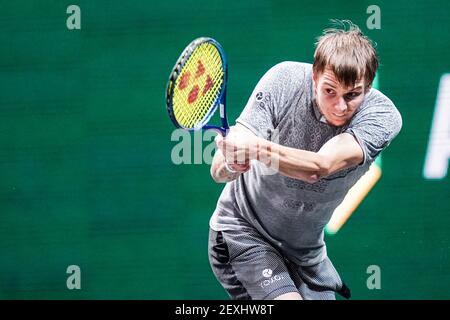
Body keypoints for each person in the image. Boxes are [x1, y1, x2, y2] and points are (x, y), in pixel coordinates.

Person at [208, 20, 402, 300]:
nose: (340, 106)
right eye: (329, 91)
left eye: (352, 95)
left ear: (368, 87)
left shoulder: (382, 117)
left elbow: (320, 167)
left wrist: (255, 148)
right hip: (243, 232)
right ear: (314, 76)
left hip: (306, 255)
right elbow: (218, 171)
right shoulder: (282, 81)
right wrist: (231, 163)